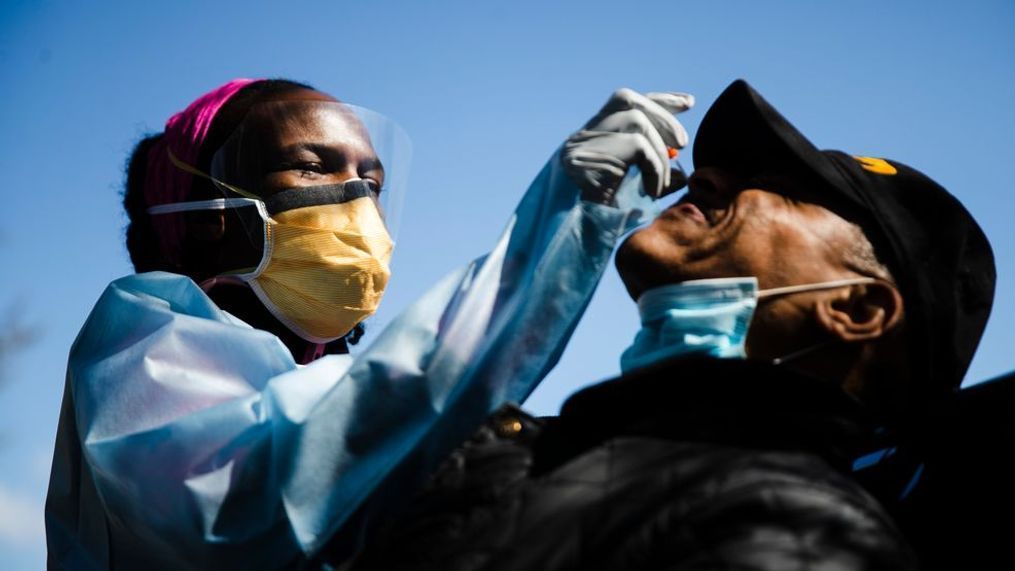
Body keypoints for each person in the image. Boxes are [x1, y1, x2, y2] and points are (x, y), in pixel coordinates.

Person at [342, 79, 995, 570]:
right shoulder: (530, 452)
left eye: (783, 188)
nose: (703, 177)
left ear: (854, 310)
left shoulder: (802, 531)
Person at [44, 79, 697, 569]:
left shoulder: (301, 374)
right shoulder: (147, 340)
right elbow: (259, 490)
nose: (356, 199)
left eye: (372, 181)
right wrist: (560, 226)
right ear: (209, 211)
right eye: (312, 164)